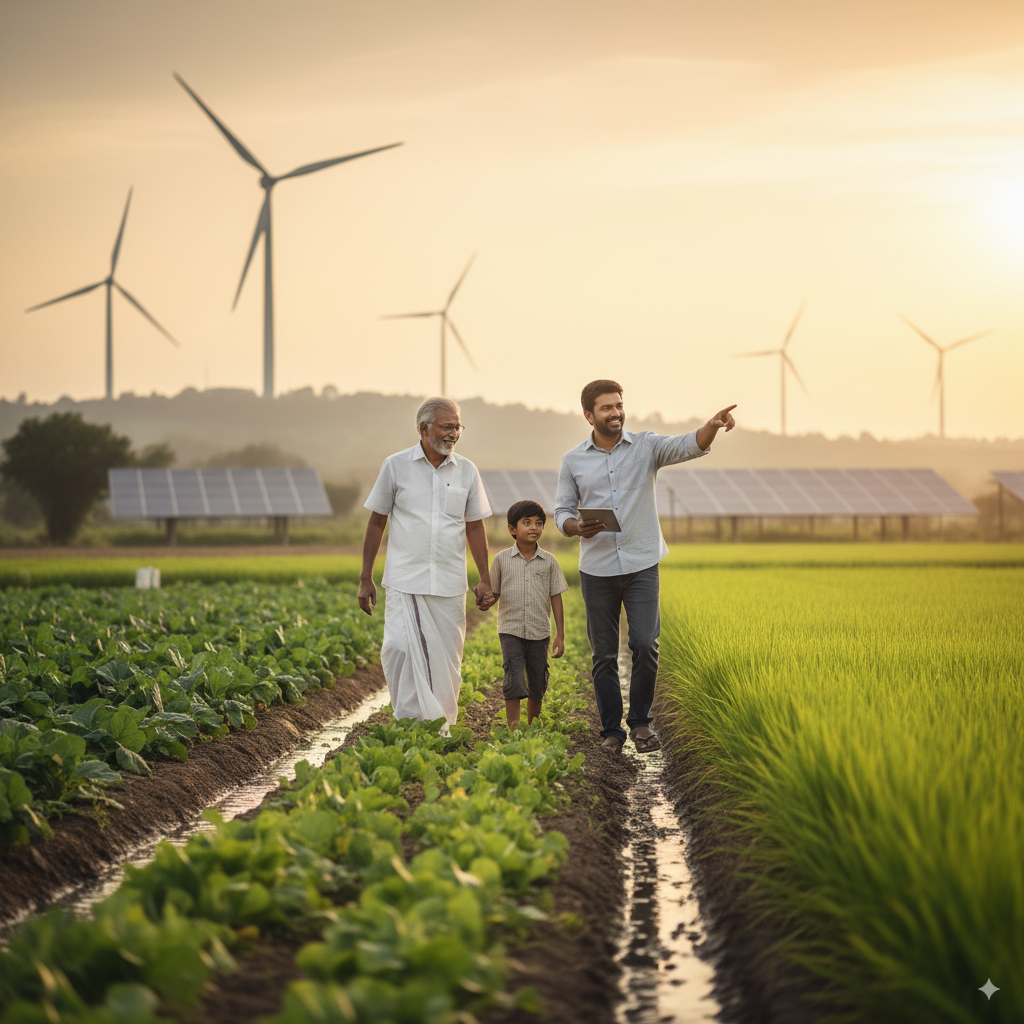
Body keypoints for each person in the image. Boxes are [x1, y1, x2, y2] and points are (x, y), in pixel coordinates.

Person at [554, 380, 736, 754]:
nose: (616, 413)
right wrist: (575, 527)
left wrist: (712, 426)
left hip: (641, 563)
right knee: (603, 654)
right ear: (589, 415)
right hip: (597, 567)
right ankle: (611, 732)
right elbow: (561, 511)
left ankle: (640, 723)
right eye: (606, 408)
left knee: (644, 643)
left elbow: (689, 444)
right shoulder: (573, 460)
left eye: (619, 405)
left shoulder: (647, 446)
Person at [358, 397, 495, 734]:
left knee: (447, 661)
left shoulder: (467, 470)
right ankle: (408, 723)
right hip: (405, 580)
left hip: (449, 582)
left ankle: (441, 727)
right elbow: (377, 522)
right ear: (423, 428)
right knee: (399, 649)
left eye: (457, 426)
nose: (454, 433)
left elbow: (475, 526)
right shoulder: (395, 465)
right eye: (447, 426)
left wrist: (485, 579)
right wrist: (366, 578)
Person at [490, 499, 569, 730]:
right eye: (527, 523)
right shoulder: (501, 560)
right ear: (512, 529)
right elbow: (493, 593)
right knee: (513, 676)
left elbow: (556, 597)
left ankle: (532, 727)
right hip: (510, 630)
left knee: (537, 680)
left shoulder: (549, 562)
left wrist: (560, 635)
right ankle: (514, 729)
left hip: (539, 631)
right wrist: (484, 599)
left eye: (539, 523)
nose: (534, 527)